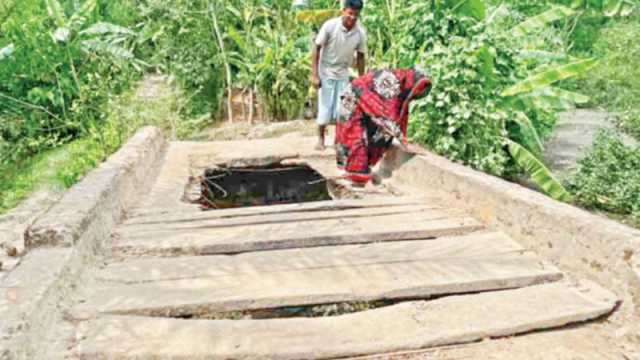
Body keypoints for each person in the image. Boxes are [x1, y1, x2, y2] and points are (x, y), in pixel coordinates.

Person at [335, 67, 432, 185]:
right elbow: (386, 117)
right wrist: (404, 143)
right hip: (353, 101)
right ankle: (356, 179)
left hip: (362, 104)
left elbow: (398, 116)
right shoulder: (391, 82)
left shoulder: (401, 84)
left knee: (376, 135)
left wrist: (402, 139)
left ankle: (359, 176)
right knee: (356, 139)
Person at [311, 0, 367, 151]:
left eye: (356, 15)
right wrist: (314, 75)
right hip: (326, 70)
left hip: (343, 72)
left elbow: (361, 56)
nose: (353, 18)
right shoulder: (330, 26)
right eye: (350, 13)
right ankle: (321, 139)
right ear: (343, 11)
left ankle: (338, 141)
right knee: (325, 106)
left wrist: (362, 79)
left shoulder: (360, 33)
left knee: (341, 110)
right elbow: (316, 48)